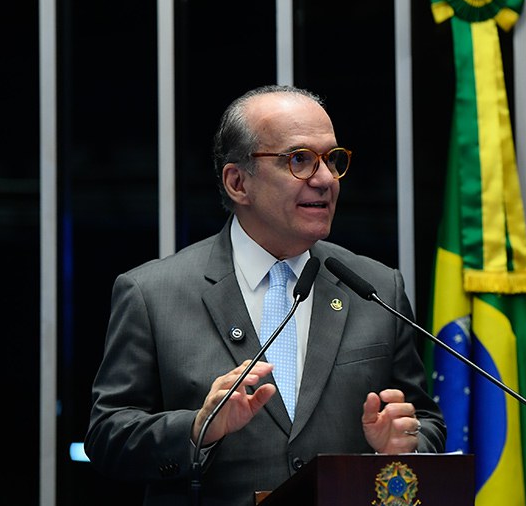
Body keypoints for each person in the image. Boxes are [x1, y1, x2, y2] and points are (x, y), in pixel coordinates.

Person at [85, 85, 446, 506]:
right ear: (238, 182)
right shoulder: (152, 294)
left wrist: (404, 444)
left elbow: (426, 423)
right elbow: (108, 436)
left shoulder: (377, 288)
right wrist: (198, 428)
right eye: (300, 160)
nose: (326, 179)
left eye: (332, 160)